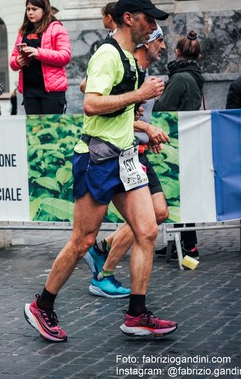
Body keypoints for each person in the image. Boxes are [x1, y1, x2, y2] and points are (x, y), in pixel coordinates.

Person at [23, 0, 177, 341]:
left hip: (125, 157)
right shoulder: (108, 54)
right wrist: (138, 96)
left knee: (148, 231)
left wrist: (143, 127)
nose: (154, 26)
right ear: (128, 18)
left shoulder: (130, 59)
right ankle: (42, 305)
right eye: (148, 19)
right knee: (83, 240)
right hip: (96, 158)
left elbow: (119, 111)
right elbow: (91, 105)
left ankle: (136, 314)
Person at [83, 26, 171, 298]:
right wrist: (144, 125)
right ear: (147, 41)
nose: (163, 47)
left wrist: (146, 131)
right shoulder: (121, 62)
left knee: (156, 215)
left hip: (133, 150)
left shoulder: (140, 71)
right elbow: (92, 95)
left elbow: (123, 114)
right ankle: (103, 273)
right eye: (160, 40)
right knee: (143, 223)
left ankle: (101, 251)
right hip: (116, 152)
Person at [153, 30, 204, 260]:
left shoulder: (180, 78)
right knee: (181, 194)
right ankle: (180, 244)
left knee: (178, 194)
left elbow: (162, 108)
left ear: (176, 52)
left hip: (176, 141)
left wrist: (153, 97)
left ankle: (188, 245)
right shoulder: (193, 76)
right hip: (186, 140)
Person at [9, 0, 71, 115]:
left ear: (44, 10)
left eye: (34, 9)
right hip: (29, 90)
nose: (30, 12)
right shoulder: (23, 31)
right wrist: (17, 61)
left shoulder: (57, 28)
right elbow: (12, 62)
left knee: (52, 130)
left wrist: (38, 53)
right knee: (34, 132)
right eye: (28, 9)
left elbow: (65, 56)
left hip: (51, 91)